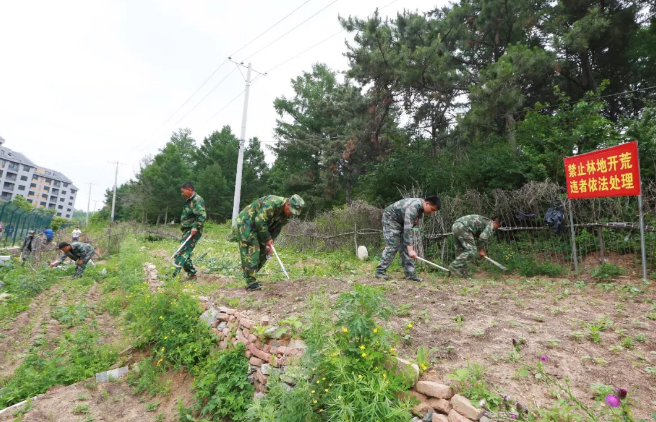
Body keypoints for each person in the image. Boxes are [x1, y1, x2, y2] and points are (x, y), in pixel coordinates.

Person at [236, 195, 305, 291]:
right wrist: (267, 238)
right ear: (288, 204)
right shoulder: (273, 203)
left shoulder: (286, 215)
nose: (291, 214)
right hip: (247, 222)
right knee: (252, 249)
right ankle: (251, 282)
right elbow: (259, 221)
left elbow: (276, 229)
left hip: (262, 228)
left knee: (265, 252)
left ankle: (250, 274)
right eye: (291, 211)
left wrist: (270, 243)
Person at [375, 196, 441, 282]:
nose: (432, 212)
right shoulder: (413, 207)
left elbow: (409, 226)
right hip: (390, 219)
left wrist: (409, 248)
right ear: (427, 203)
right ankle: (380, 272)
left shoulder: (420, 207)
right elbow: (408, 229)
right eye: (432, 209)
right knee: (393, 245)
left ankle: (410, 274)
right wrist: (411, 250)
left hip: (400, 221)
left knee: (406, 247)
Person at [173, 182, 206, 279]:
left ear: (189, 190)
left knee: (181, 252)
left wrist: (195, 227)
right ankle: (192, 274)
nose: (182, 193)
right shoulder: (189, 200)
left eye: (183, 191)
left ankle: (172, 275)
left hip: (193, 231)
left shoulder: (197, 200)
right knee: (185, 253)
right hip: (187, 230)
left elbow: (202, 215)